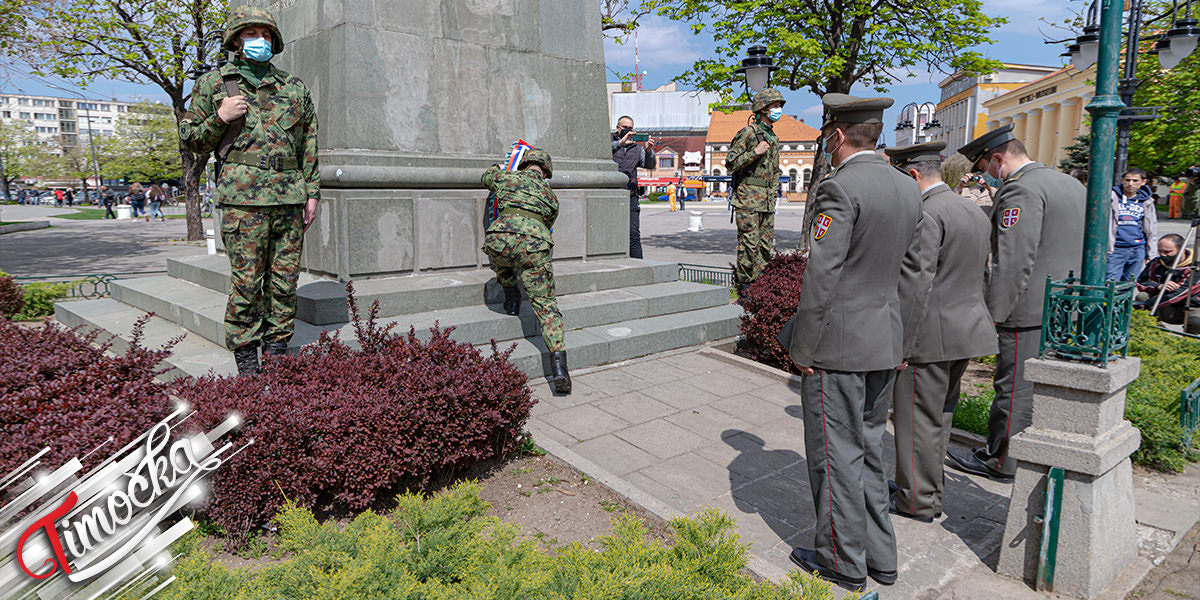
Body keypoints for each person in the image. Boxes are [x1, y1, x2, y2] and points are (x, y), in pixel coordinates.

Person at [781, 93, 922, 592]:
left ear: (837, 135)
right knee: (869, 451)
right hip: (885, 342)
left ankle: (842, 561)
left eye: (826, 136)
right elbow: (914, 276)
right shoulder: (907, 188)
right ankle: (881, 557)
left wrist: (803, 348)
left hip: (838, 347)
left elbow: (822, 275)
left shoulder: (839, 187)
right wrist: (903, 341)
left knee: (835, 456)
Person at [179, 4, 320, 375]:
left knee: (284, 282)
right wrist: (220, 117)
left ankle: (277, 351)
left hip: (289, 198)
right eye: (251, 33)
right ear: (236, 40)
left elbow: (309, 143)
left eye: (265, 34)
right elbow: (191, 139)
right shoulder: (215, 84)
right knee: (246, 282)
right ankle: (246, 359)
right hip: (243, 202)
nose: (260, 40)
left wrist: (312, 193)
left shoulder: (293, 87)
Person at [947, 124, 1085, 482]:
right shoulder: (1069, 183)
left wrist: (995, 314)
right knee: (1043, 386)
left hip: (1026, 308)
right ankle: (1030, 453)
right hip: (1065, 304)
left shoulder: (1020, 189)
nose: (987, 176)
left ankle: (1002, 460)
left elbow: (1013, 261)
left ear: (998, 158)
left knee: (1014, 389)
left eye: (985, 168)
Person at [883, 142, 996, 523]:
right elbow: (983, 272)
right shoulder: (970, 208)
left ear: (913, 174)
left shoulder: (927, 213)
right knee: (940, 418)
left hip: (929, 336)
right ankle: (929, 490)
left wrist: (901, 344)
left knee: (916, 421)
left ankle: (916, 500)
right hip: (965, 330)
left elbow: (917, 283)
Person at [481, 149, 571, 394]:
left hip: (498, 240)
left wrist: (499, 168)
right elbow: (547, 224)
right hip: (534, 246)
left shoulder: (507, 178)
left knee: (504, 257)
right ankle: (559, 369)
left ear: (524, 165)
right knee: (547, 308)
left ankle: (511, 298)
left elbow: (486, 177)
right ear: (546, 171)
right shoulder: (551, 196)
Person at [727, 88, 785, 295]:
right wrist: (755, 152)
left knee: (765, 245)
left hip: (767, 200)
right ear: (763, 108)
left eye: (779, 106)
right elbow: (730, 163)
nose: (778, 109)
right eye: (775, 106)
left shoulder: (773, 137)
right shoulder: (748, 133)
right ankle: (745, 287)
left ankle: (759, 285)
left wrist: (774, 194)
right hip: (748, 199)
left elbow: (775, 170)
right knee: (749, 244)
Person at [611, 116, 656, 258]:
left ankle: (639, 263)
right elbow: (599, 153)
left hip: (630, 195)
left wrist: (648, 151)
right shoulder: (608, 142)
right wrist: (620, 143)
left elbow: (650, 165)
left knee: (634, 234)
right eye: (625, 128)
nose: (628, 131)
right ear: (617, 128)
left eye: (631, 128)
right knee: (611, 232)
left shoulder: (637, 148)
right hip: (610, 195)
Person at [1136, 233, 1200, 325]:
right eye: (1160, 251)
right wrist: (1159, 286)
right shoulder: (1156, 263)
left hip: (1190, 305)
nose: (1163, 255)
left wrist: (1148, 303)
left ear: (1181, 250)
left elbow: (1180, 293)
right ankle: (1154, 329)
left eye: (1167, 252)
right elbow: (1141, 281)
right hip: (1164, 304)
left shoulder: (1195, 267)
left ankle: (1191, 334)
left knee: (1196, 322)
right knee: (1142, 296)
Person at [1106, 168, 1157, 282]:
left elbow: (1151, 229)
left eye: (1135, 181)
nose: (1130, 184)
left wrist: (1151, 254)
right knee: (1111, 282)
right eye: (1127, 180)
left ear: (1143, 182)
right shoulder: (1112, 197)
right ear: (1122, 180)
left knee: (1130, 283)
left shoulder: (1147, 201)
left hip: (1138, 249)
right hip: (1116, 249)